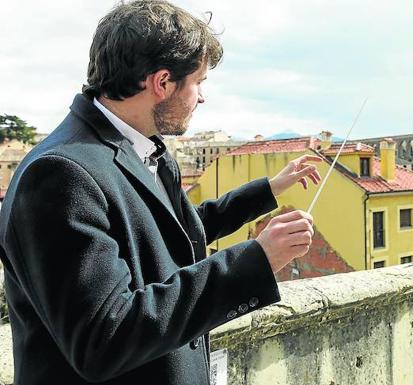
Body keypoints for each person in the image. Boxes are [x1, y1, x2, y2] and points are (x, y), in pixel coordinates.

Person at [0, 1, 321, 384]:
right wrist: (254, 262)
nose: (201, 97)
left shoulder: (145, 151)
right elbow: (104, 336)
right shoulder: (59, 173)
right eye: (198, 82)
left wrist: (268, 190)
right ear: (162, 82)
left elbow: (172, 233)